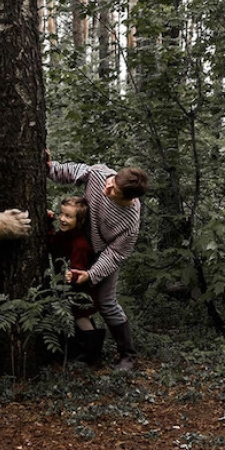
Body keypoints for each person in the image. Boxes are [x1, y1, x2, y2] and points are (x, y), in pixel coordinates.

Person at [46, 150, 149, 370]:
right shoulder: (101, 175)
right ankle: (86, 348)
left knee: (106, 302)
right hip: (81, 245)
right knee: (76, 299)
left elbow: (116, 254)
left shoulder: (130, 221)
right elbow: (75, 171)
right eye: (111, 182)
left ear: (128, 198)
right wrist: (50, 167)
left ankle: (127, 355)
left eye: (114, 191)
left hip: (104, 255)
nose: (107, 188)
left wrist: (92, 274)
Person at [47, 196, 105, 365]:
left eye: (69, 216)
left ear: (79, 221)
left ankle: (92, 356)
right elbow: (52, 244)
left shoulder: (80, 242)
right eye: (61, 214)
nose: (63, 219)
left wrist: (71, 274)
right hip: (68, 288)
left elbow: (79, 267)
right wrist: (49, 223)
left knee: (81, 317)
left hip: (81, 289)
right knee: (74, 317)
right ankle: (77, 350)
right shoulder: (64, 235)